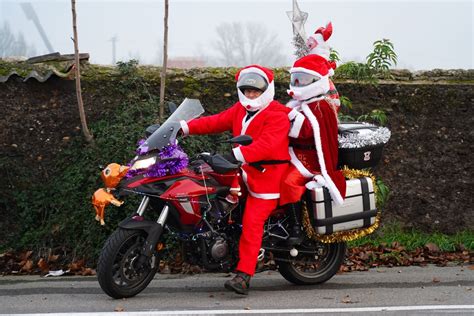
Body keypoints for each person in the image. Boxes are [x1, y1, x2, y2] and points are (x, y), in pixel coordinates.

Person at [179, 65, 290, 295]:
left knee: (252, 221)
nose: (250, 95)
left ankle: (244, 275)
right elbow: (215, 121)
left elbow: (267, 145)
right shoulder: (240, 110)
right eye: (247, 91)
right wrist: (184, 128)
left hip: (267, 178)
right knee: (214, 197)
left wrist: (235, 155)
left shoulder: (278, 114)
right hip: (242, 172)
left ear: (266, 90)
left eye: (255, 91)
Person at [281, 23, 347, 244]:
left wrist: (286, 119)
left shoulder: (322, 105)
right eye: (296, 79)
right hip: (292, 154)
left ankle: (296, 228)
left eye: (303, 80)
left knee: (289, 182)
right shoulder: (299, 101)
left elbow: (307, 131)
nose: (298, 84)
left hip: (310, 160)